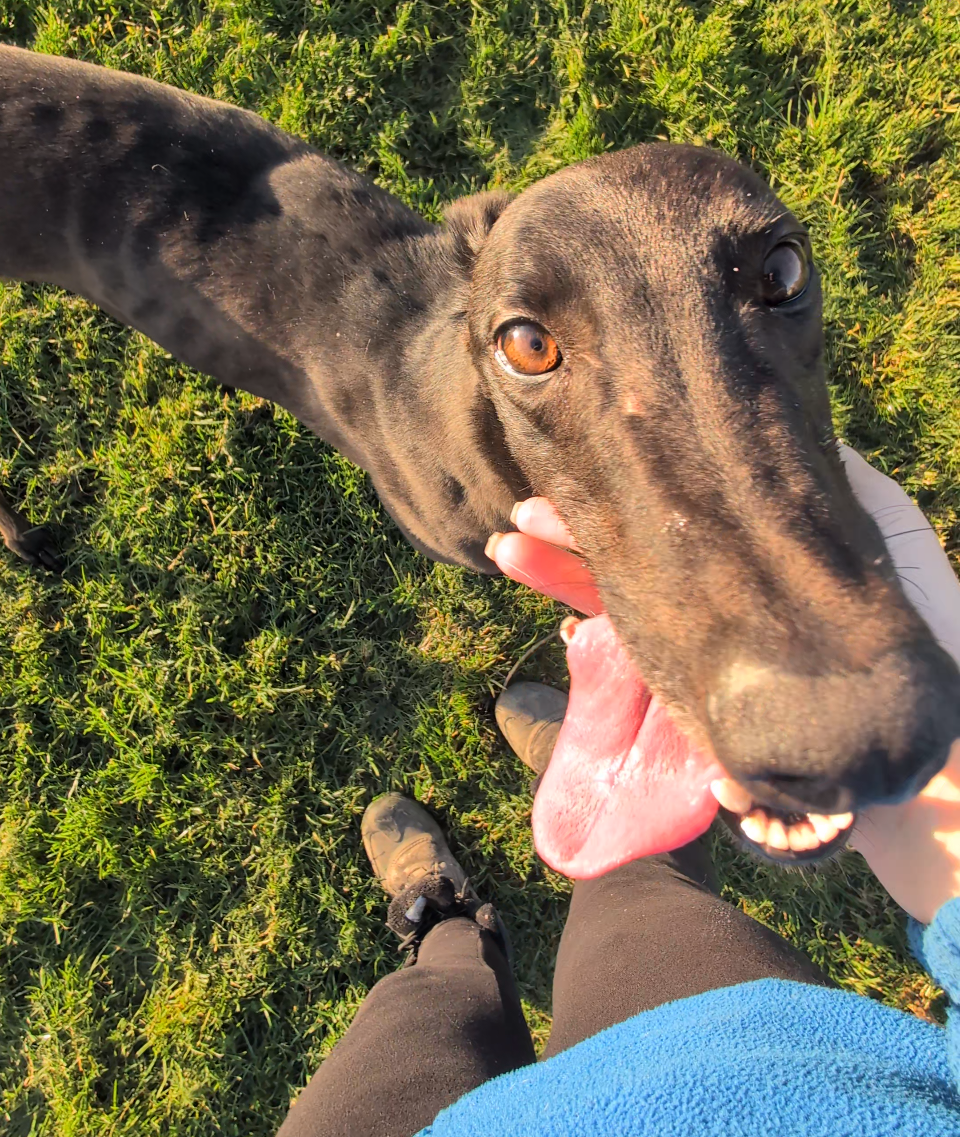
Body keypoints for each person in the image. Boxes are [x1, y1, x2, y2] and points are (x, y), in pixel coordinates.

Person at [275, 447, 960, 1137]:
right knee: (638, 890)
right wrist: (949, 839)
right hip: (747, 1075)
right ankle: (605, 774)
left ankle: (445, 921)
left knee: (419, 1008)